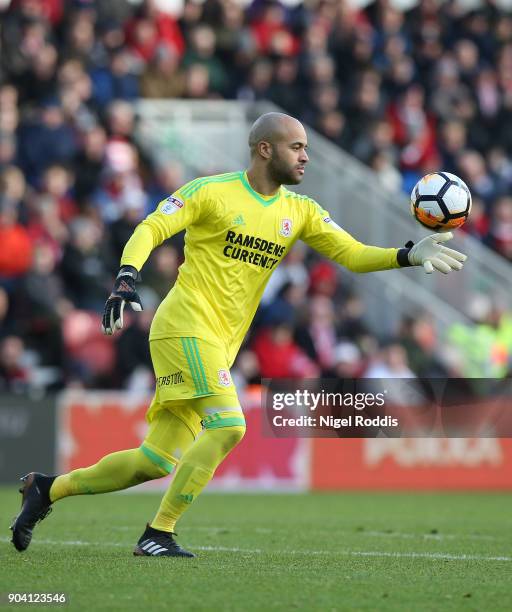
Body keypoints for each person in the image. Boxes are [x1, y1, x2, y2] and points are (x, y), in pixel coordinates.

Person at [10, 112, 467, 557]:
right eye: (297, 147)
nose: (306, 156)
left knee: (154, 462)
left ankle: (47, 489)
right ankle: (158, 533)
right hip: (185, 325)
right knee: (230, 425)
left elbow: (353, 254)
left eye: (307, 147)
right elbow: (152, 226)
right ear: (265, 150)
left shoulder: (300, 210)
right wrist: (127, 276)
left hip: (220, 343)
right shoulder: (213, 191)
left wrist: (407, 255)